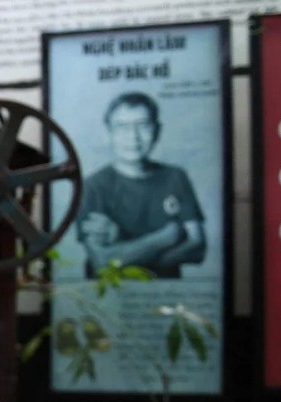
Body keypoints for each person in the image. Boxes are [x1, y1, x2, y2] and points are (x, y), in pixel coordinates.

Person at [77, 92, 206, 278]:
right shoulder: (92, 187)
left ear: (157, 130)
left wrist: (123, 250)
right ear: (108, 133)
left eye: (143, 126)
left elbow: (198, 249)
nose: (133, 137)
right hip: (108, 299)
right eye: (122, 127)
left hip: (165, 295)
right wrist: (168, 236)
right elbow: (103, 263)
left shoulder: (175, 177)